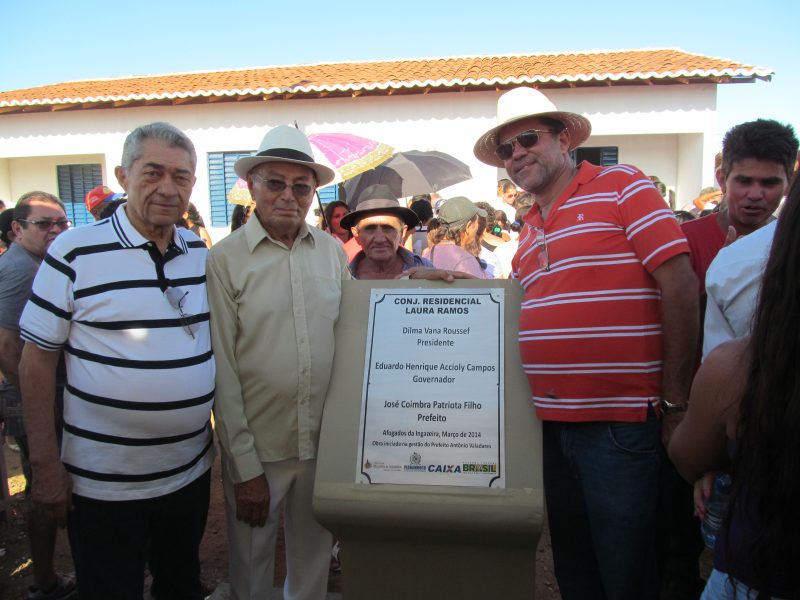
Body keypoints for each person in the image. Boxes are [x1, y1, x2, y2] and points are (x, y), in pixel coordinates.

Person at [473, 86, 698, 599]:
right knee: (576, 573)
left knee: (627, 575)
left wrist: (675, 402)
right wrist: (456, 286)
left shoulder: (622, 185)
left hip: (620, 426)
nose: (517, 153)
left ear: (564, 139)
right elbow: (523, 308)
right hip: (551, 428)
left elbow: (681, 286)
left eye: (528, 138)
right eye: (506, 148)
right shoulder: (528, 229)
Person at [18, 122, 215, 600]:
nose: (167, 188)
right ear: (124, 176)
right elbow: (36, 361)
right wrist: (44, 464)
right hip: (104, 482)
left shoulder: (198, 253)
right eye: (153, 173)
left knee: (180, 585)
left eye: (181, 177)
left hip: (188, 473)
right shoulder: (74, 251)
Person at [207, 125, 347, 600]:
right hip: (259, 448)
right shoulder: (225, 260)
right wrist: (243, 465)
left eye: (301, 186)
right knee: (251, 565)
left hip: (321, 443)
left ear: (313, 194)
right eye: (275, 183)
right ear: (252, 186)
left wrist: (417, 284)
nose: (288, 195)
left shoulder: (331, 252)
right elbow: (223, 367)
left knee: (313, 562)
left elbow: (355, 327)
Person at [665, 119, 797, 599]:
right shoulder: (683, 239)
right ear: (723, 177)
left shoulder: (780, 245)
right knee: (678, 544)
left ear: (789, 181)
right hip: (696, 416)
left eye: (770, 183)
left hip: (764, 430)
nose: (757, 195)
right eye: (745, 180)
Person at [0, 192, 75, 600]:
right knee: (45, 484)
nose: (55, 231)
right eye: (43, 224)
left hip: (44, 392)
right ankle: (44, 582)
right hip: (30, 395)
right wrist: (42, 406)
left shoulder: (39, 263)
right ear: (17, 229)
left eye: (61, 223)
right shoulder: (19, 269)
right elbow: (8, 348)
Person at [340, 184, 433, 279]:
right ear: (356, 234)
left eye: (388, 228)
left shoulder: (425, 269)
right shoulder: (341, 276)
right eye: (370, 229)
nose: (379, 239)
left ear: (403, 232)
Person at [423, 197, 489, 279]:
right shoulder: (467, 261)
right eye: (476, 224)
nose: (477, 228)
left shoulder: (426, 256)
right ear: (468, 226)